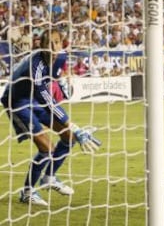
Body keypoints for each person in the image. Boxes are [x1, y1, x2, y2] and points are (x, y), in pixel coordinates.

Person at [0, 28, 101, 206]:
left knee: (68, 137)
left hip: (35, 99)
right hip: (17, 102)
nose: (53, 46)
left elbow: (55, 86)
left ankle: (49, 177)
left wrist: (62, 83)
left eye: (56, 41)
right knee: (47, 148)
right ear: (42, 46)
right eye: (49, 43)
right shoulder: (35, 66)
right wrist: (74, 125)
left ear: (62, 43)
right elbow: (48, 102)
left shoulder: (60, 59)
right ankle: (27, 192)